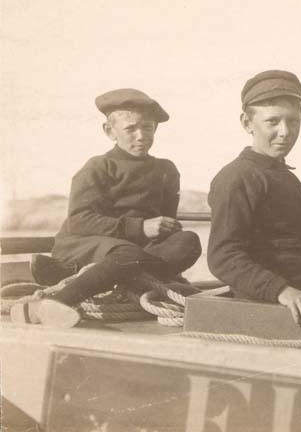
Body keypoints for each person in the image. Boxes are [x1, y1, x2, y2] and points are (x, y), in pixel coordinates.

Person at [12, 88, 202, 327]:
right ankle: (52, 303)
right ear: (110, 131)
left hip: (133, 251)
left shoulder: (166, 170)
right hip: (86, 242)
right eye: (130, 129)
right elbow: (80, 221)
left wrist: (165, 235)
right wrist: (140, 227)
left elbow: (165, 223)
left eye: (147, 127)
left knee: (188, 242)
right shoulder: (98, 167)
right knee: (128, 254)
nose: (141, 136)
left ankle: (110, 276)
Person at [207, 70, 301, 331]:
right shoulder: (237, 178)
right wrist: (282, 291)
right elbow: (223, 258)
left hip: (300, 305)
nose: (285, 132)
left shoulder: (287, 178)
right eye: (272, 121)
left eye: (293, 121)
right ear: (247, 123)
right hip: (261, 309)